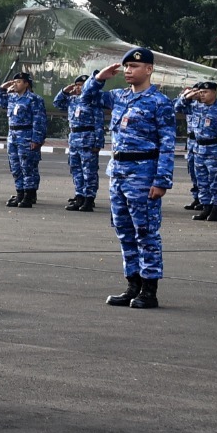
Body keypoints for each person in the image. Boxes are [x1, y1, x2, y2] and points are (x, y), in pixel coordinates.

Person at [80, 48, 175, 309]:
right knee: (124, 231)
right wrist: (99, 78)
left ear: (149, 69)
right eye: (126, 67)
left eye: (135, 66)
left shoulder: (159, 103)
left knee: (146, 232)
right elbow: (87, 99)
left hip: (144, 174)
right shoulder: (118, 97)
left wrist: (162, 180)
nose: (129, 71)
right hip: (119, 172)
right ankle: (132, 284)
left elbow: (167, 144)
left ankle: (149, 289)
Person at [0, 71, 48, 208]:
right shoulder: (12, 97)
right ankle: (20, 193)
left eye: (18, 82)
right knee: (15, 167)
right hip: (13, 135)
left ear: (26, 84)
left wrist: (36, 139)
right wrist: (5, 86)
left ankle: (28, 196)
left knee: (27, 166)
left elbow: (39, 120)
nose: (15, 84)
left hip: (26, 134)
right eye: (14, 81)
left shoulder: (34, 99)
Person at [54, 74, 105, 211]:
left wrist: (98, 143)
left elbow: (99, 123)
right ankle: (79, 196)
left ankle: (89, 198)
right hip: (74, 138)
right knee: (76, 169)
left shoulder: (93, 102)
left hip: (88, 138)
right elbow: (57, 103)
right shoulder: (72, 100)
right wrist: (65, 90)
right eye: (76, 85)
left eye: (81, 85)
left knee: (89, 171)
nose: (78, 88)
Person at [187, 81, 217, 222]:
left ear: (214, 93)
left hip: (215, 151)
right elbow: (178, 107)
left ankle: (216, 210)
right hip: (199, 150)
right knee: (202, 182)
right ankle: (206, 208)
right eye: (200, 92)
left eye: (205, 92)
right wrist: (189, 96)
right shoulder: (196, 107)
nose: (202, 95)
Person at [174, 84, 205, 212]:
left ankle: (205, 201)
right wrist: (186, 95)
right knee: (193, 171)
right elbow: (177, 107)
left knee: (203, 173)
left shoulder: (205, 106)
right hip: (191, 142)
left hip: (202, 143)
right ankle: (197, 198)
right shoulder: (189, 105)